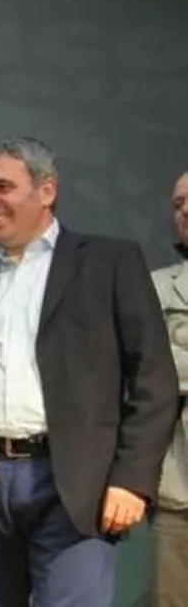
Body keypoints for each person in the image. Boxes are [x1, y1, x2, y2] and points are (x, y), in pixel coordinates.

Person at [0, 135, 179, 607]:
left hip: (77, 488)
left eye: (2, 187)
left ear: (47, 190)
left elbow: (154, 381)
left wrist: (132, 479)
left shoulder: (110, 263)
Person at [150, 171, 188, 607]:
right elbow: (152, 370)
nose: (185, 211)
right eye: (178, 204)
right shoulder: (156, 287)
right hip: (180, 495)